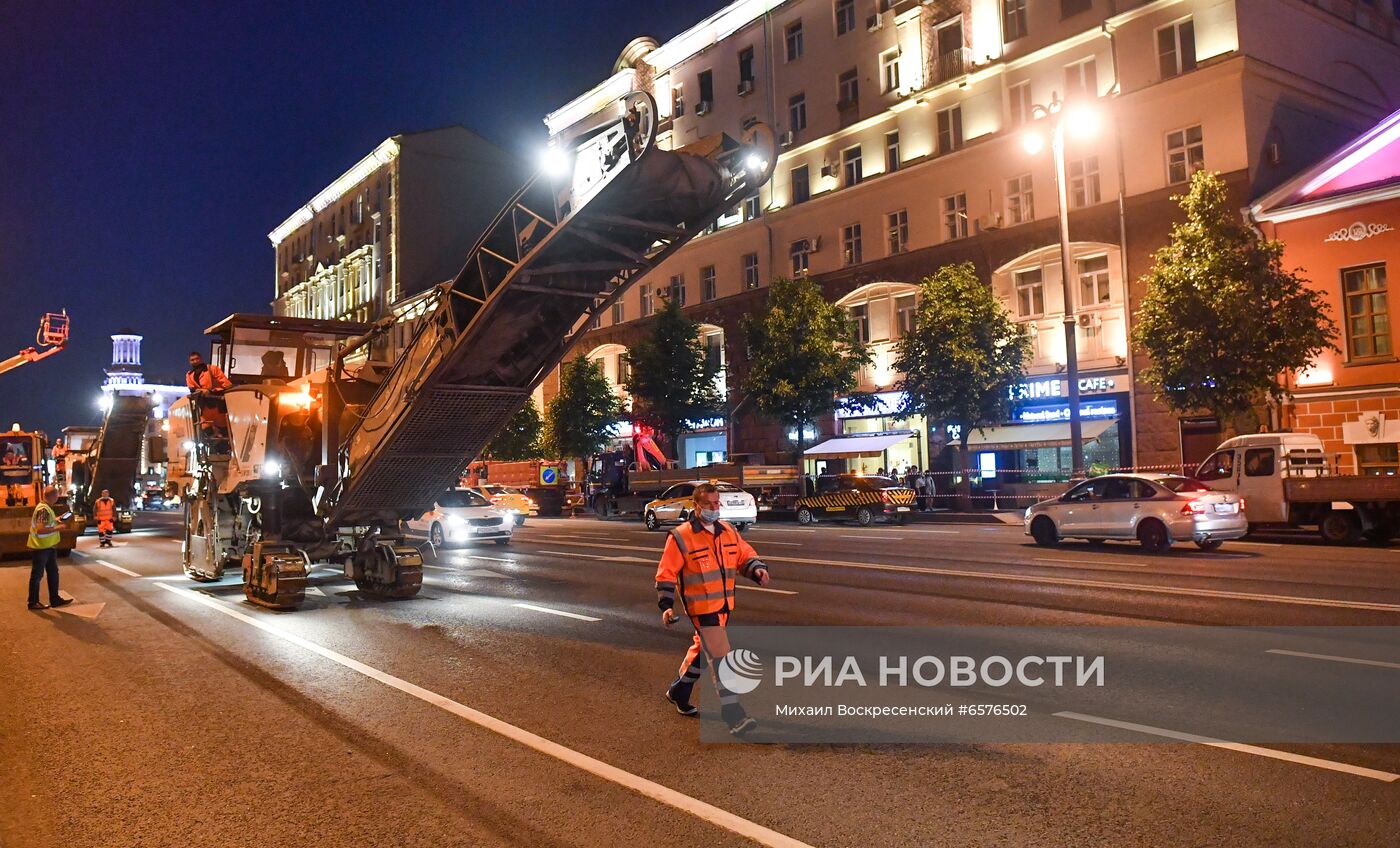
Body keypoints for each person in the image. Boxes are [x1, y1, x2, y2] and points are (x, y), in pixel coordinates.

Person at [655, 482, 771, 736]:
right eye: (709, 504)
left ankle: (679, 691)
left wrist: (756, 569)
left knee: (703, 651)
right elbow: (666, 573)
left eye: (717, 503)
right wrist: (666, 605)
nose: (715, 508)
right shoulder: (681, 536)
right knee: (721, 657)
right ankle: (734, 715)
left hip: (723, 606)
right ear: (696, 506)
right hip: (701, 608)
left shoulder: (728, 531)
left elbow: (743, 555)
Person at [27, 487, 72, 611]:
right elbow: (40, 530)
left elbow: (47, 523)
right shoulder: (43, 510)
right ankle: (33, 602)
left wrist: (57, 519)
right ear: (52, 496)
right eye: (57, 496)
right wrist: (59, 527)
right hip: (41, 547)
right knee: (37, 575)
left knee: (53, 573)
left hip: (48, 547)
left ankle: (55, 599)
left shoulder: (46, 508)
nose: (57, 498)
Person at [186, 350, 233, 443]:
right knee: (205, 429)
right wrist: (202, 391)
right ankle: (213, 448)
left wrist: (212, 391)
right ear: (189, 361)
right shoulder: (189, 374)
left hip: (217, 404)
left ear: (201, 359)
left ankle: (225, 446)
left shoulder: (212, 369)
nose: (195, 361)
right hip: (203, 406)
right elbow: (192, 388)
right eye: (192, 360)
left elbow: (227, 384)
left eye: (197, 359)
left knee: (224, 428)